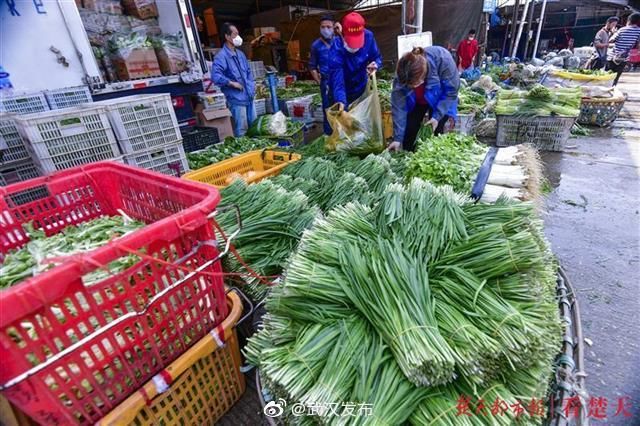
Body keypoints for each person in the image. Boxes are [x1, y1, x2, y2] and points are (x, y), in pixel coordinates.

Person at [388, 46, 460, 153]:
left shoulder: (443, 59)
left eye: (414, 85)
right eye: (409, 86)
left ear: (423, 76)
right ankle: (410, 156)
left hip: (439, 99)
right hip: (417, 100)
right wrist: (397, 139)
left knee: (436, 131)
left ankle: (433, 157)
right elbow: (398, 107)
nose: (412, 87)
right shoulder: (403, 71)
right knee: (410, 130)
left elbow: (451, 92)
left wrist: (436, 117)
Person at [329, 12, 382, 108]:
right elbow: (338, 80)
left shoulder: (368, 37)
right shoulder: (336, 48)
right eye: (351, 41)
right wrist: (341, 102)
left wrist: (375, 64)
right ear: (342, 33)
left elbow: (377, 57)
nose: (355, 46)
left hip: (361, 89)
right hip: (343, 90)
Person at [211, 22, 256, 136]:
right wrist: (231, 83)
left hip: (249, 96)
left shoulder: (240, 54)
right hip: (236, 99)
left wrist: (252, 85)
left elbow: (248, 72)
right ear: (227, 37)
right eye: (235, 34)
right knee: (242, 130)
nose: (238, 37)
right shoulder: (221, 56)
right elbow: (215, 76)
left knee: (254, 127)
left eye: (238, 34)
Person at [309, 15, 336, 135]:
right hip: (326, 82)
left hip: (341, 81)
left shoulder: (339, 41)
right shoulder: (316, 45)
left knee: (343, 108)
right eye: (323, 27)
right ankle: (328, 135)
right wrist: (320, 81)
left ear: (334, 27)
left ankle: (343, 135)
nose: (325, 29)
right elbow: (312, 66)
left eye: (328, 27)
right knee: (327, 109)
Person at [607, 12, 640, 86]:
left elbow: (610, 40)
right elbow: (638, 45)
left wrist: (613, 33)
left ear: (629, 21)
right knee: (615, 78)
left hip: (612, 57)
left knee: (607, 76)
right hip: (623, 59)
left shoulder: (622, 29)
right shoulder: (638, 31)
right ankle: (612, 90)